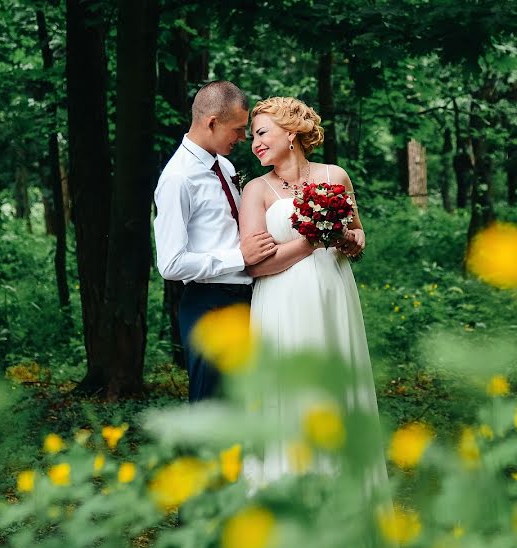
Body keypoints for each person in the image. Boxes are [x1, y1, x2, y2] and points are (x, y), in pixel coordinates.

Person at [238, 96, 389, 499]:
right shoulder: (256, 191)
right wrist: (310, 242)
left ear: (291, 133)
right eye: (253, 136)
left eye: (262, 133)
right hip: (280, 303)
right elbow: (255, 266)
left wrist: (347, 239)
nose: (255, 144)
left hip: (332, 295)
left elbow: (358, 236)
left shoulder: (335, 176)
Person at [154, 81, 277, 403]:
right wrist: (240, 258)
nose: (243, 138)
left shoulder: (224, 165)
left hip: (247, 299)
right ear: (211, 122)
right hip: (209, 304)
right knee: (211, 405)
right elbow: (170, 264)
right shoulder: (178, 178)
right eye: (237, 130)